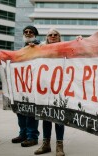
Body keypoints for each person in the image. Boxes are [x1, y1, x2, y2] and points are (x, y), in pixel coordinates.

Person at [34, 28, 65, 156]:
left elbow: (79, 49)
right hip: (44, 88)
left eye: (55, 34)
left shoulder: (65, 48)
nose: (52, 36)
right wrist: (30, 47)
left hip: (60, 88)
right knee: (45, 116)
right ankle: (46, 144)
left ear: (59, 37)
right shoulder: (40, 49)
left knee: (59, 117)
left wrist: (79, 40)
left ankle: (59, 145)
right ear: (47, 37)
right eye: (50, 34)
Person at [11, 25, 40, 147]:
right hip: (22, 85)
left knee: (31, 112)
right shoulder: (22, 49)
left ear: (35, 34)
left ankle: (32, 136)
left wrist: (36, 48)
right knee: (20, 111)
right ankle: (23, 134)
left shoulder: (39, 46)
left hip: (34, 86)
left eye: (30, 32)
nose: (28, 33)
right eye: (25, 31)